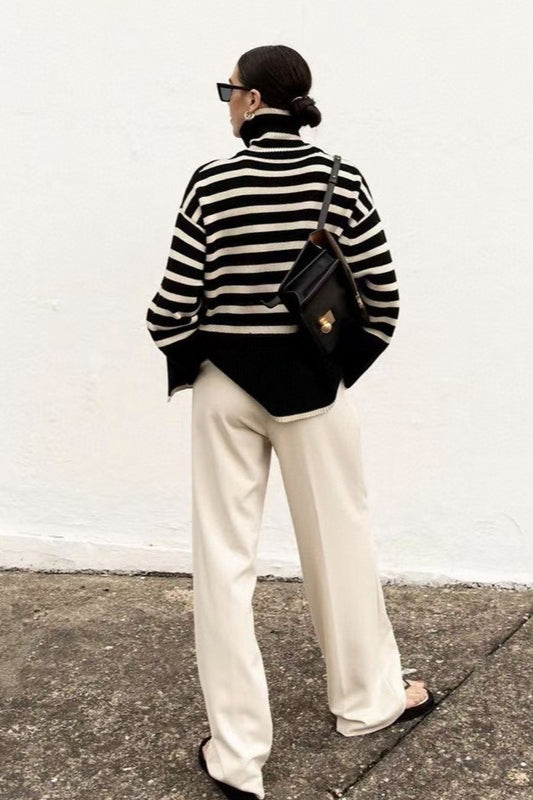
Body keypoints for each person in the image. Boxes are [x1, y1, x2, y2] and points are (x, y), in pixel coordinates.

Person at [146, 44, 435, 800]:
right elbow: (382, 299)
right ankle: (367, 703)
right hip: (315, 392)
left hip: (225, 389)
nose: (227, 104)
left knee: (223, 564)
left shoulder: (210, 183)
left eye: (228, 92)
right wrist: (329, 371)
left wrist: (203, 357)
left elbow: (171, 308)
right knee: (341, 543)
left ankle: (237, 756)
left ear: (249, 100)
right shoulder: (341, 179)